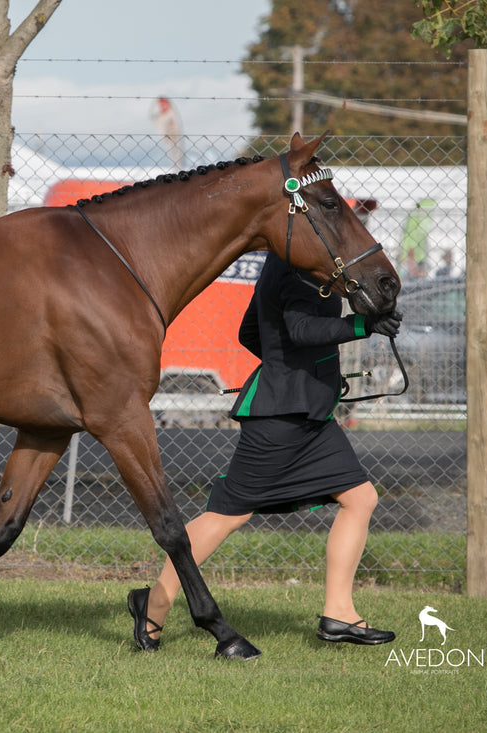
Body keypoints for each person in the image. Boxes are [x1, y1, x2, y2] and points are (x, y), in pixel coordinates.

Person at [127, 252, 402, 651]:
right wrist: (363, 324)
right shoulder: (296, 267)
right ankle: (153, 603)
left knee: (360, 497)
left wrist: (301, 374)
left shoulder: (285, 263)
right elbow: (301, 328)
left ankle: (339, 613)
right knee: (227, 515)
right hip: (281, 417)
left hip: (305, 412)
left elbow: (251, 333)